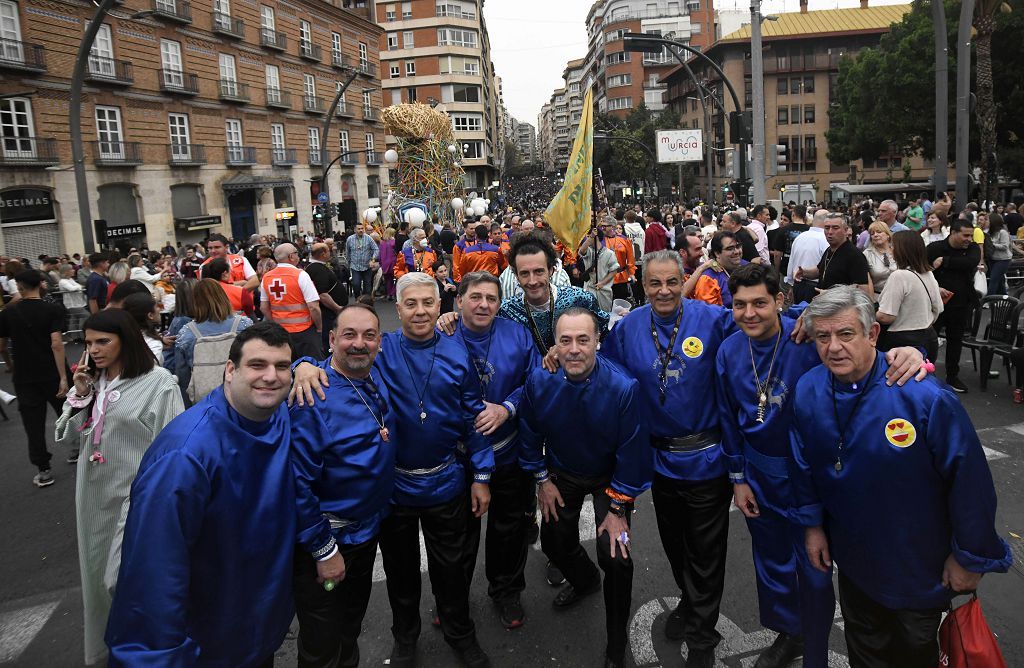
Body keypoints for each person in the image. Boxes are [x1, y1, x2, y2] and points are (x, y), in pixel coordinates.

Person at [791, 286, 1012, 666]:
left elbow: (969, 480)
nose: (833, 347)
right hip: (855, 559)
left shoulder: (924, 397)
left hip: (918, 566)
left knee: (915, 655)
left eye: (846, 334)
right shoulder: (809, 388)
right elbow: (802, 465)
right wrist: (811, 527)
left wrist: (970, 558)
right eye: (822, 337)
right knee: (864, 651)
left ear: (873, 334)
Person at [295, 272, 495, 667]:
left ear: (440, 307)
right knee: (401, 574)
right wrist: (303, 363)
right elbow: (338, 364)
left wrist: (483, 476)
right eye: (411, 303)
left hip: (446, 482)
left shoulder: (458, 355)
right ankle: (405, 638)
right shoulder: (380, 353)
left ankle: (460, 633)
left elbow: (474, 417)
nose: (420, 311)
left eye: (428, 303)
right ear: (397, 309)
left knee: (452, 572)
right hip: (394, 493)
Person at [105, 322, 297, 666]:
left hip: (255, 624)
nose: (271, 376)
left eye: (282, 367)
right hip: (205, 641)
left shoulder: (273, 412)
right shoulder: (185, 456)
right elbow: (153, 572)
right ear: (229, 370)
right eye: (257, 366)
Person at [600, 250, 742, 668]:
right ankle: (690, 600)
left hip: (707, 461)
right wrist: (557, 358)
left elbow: (763, 327)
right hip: (658, 463)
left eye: (671, 282)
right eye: (654, 283)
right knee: (677, 548)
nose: (663, 291)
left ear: (684, 281)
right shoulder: (627, 328)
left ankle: (701, 639)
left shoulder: (713, 319)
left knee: (705, 553)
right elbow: (600, 368)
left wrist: (804, 319)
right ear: (642, 286)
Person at [519, 308, 649, 668]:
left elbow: (633, 452)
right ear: (554, 345)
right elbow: (529, 434)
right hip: (562, 473)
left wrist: (620, 508)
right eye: (565, 341)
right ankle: (585, 579)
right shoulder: (539, 381)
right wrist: (541, 479)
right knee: (554, 543)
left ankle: (616, 644)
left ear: (598, 343)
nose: (574, 349)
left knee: (617, 556)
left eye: (583, 340)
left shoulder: (624, 387)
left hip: (612, 482)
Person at [54, 309, 183, 664]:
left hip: (137, 494)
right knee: (96, 574)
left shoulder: (160, 383)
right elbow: (68, 434)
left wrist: (163, 498)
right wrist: (80, 395)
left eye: (103, 341)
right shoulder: (96, 381)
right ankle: (118, 648)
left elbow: (173, 447)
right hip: (93, 493)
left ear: (126, 340)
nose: (93, 350)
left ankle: (150, 647)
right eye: (88, 342)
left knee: (121, 577)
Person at [289, 305, 396, 668]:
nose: (359, 344)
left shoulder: (372, 371)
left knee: (349, 626)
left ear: (379, 342)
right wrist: (323, 550)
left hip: (366, 533)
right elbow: (297, 483)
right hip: (329, 542)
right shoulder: (311, 395)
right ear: (332, 339)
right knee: (322, 643)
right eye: (349, 335)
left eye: (369, 336)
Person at [451, 272, 541, 629]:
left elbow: (535, 380)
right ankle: (452, 598)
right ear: (458, 301)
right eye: (475, 297)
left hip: (507, 451)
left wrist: (507, 407)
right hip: (457, 459)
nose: (484, 304)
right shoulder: (440, 333)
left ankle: (506, 591)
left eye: (491, 297)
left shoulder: (516, 334)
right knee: (459, 536)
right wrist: (305, 364)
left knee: (509, 529)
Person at [0, 270, 71, 486]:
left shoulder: (7, 314)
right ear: (41, 284)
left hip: (25, 375)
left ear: (19, 286)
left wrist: (11, 365)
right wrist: (63, 377)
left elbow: (2, 346)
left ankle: (43, 469)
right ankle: (78, 449)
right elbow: (57, 343)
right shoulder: (53, 309)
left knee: (33, 423)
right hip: (52, 370)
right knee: (68, 412)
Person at [174, 278, 253, 401]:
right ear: (223, 297)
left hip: (205, 400)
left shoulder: (186, 334)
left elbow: (182, 376)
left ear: (195, 302)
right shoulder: (244, 325)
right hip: (241, 395)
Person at [927, 218, 981, 393]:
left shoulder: (972, 249)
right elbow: (921, 268)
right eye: (965, 235)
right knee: (930, 339)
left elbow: (971, 262)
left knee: (955, 341)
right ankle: (926, 373)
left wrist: (946, 261)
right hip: (935, 304)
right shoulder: (935, 248)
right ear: (953, 233)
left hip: (961, 303)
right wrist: (936, 287)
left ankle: (952, 376)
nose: (969, 239)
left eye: (971, 235)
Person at [876, 231, 944, 361]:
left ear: (900, 250)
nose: (890, 250)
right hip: (928, 336)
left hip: (902, 341)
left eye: (892, 246)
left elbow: (886, 316)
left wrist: (871, 313)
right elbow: (939, 308)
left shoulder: (899, 276)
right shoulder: (928, 273)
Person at [260, 243, 323, 360]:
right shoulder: (301, 275)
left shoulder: (267, 277)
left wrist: (275, 323)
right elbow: (313, 307)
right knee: (313, 366)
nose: (298, 256)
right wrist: (319, 327)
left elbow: (264, 307)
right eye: (296, 253)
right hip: (304, 331)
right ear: (291, 257)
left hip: (280, 332)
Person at [796, 213, 870, 298]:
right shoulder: (829, 250)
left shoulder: (855, 255)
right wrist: (804, 272)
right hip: (823, 305)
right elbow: (820, 270)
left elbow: (862, 289)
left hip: (841, 308)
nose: (830, 232)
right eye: (827, 228)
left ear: (845, 230)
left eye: (835, 228)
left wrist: (831, 294)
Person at [306, 242, 349, 355]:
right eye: (328, 251)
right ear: (323, 253)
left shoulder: (315, 267)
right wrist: (337, 308)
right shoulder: (318, 269)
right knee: (328, 337)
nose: (330, 253)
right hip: (328, 312)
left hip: (329, 311)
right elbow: (322, 294)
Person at [683, 231, 746, 307]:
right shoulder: (708, 279)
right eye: (730, 248)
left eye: (738, 246)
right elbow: (710, 315)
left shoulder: (746, 266)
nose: (737, 252)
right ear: (717, 253)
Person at [786, 209, 828, 300]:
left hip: (798, 284)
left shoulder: (800, 237)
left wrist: (791, 285)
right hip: (816, 288)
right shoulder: (826, 240)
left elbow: (791, 263)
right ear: (826, 221)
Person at [578, 227, 618, 311]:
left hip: (604, 291)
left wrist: (602, 283)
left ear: (596, 237)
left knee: (604, 317)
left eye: (589, 237)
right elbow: (581, 251)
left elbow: (614, 271)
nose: (587, 239)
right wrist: (591, 237)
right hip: (589, 289)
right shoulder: (589, 251)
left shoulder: (609, 253)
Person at [122, 292, 167, 363]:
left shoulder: (120, 335)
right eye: (157, 306)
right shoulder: (154, 345)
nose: (159, 309)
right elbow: (151, 372)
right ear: (150, 315)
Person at [346, 223, 380, 299]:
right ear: (355, 230)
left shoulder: (368, 238)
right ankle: (357, 299)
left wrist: (373, 259)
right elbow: (348, 252)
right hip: (355, 266)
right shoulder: (350, 239)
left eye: (362, 228)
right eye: (359, 229)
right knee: (356, 284)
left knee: (367, 287)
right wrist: (348, 264)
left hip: (367, 266)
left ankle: (365, 302)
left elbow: (376, 249)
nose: (361, 230)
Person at [862, 221, 894, 301]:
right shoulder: (867, 254)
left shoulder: (898, 251)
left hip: (899, 297)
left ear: (887, 235)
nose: (875, 235)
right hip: (878, 299)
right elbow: (866, 282)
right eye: (872, 234)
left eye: (879, 232)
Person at [985, 212, 1013, 295]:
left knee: (994, 280)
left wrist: (991, 244)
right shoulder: (989, 232)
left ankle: (988, 300)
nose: (986, 222)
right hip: (992, 259)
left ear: (993, 221)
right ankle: (1005, 298)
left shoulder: (1002, 232)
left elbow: (1005, 246)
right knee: (1000, 280)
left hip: (1003, 260)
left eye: (987, 220)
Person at [379, 227, 398, 300]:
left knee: (387, 280)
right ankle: (393, 293)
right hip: (393, 262)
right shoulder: (393, 242)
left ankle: (389, 293)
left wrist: (381, 264)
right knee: (394, 278)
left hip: (384, 263)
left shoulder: (382, 243)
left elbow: (380, 254)